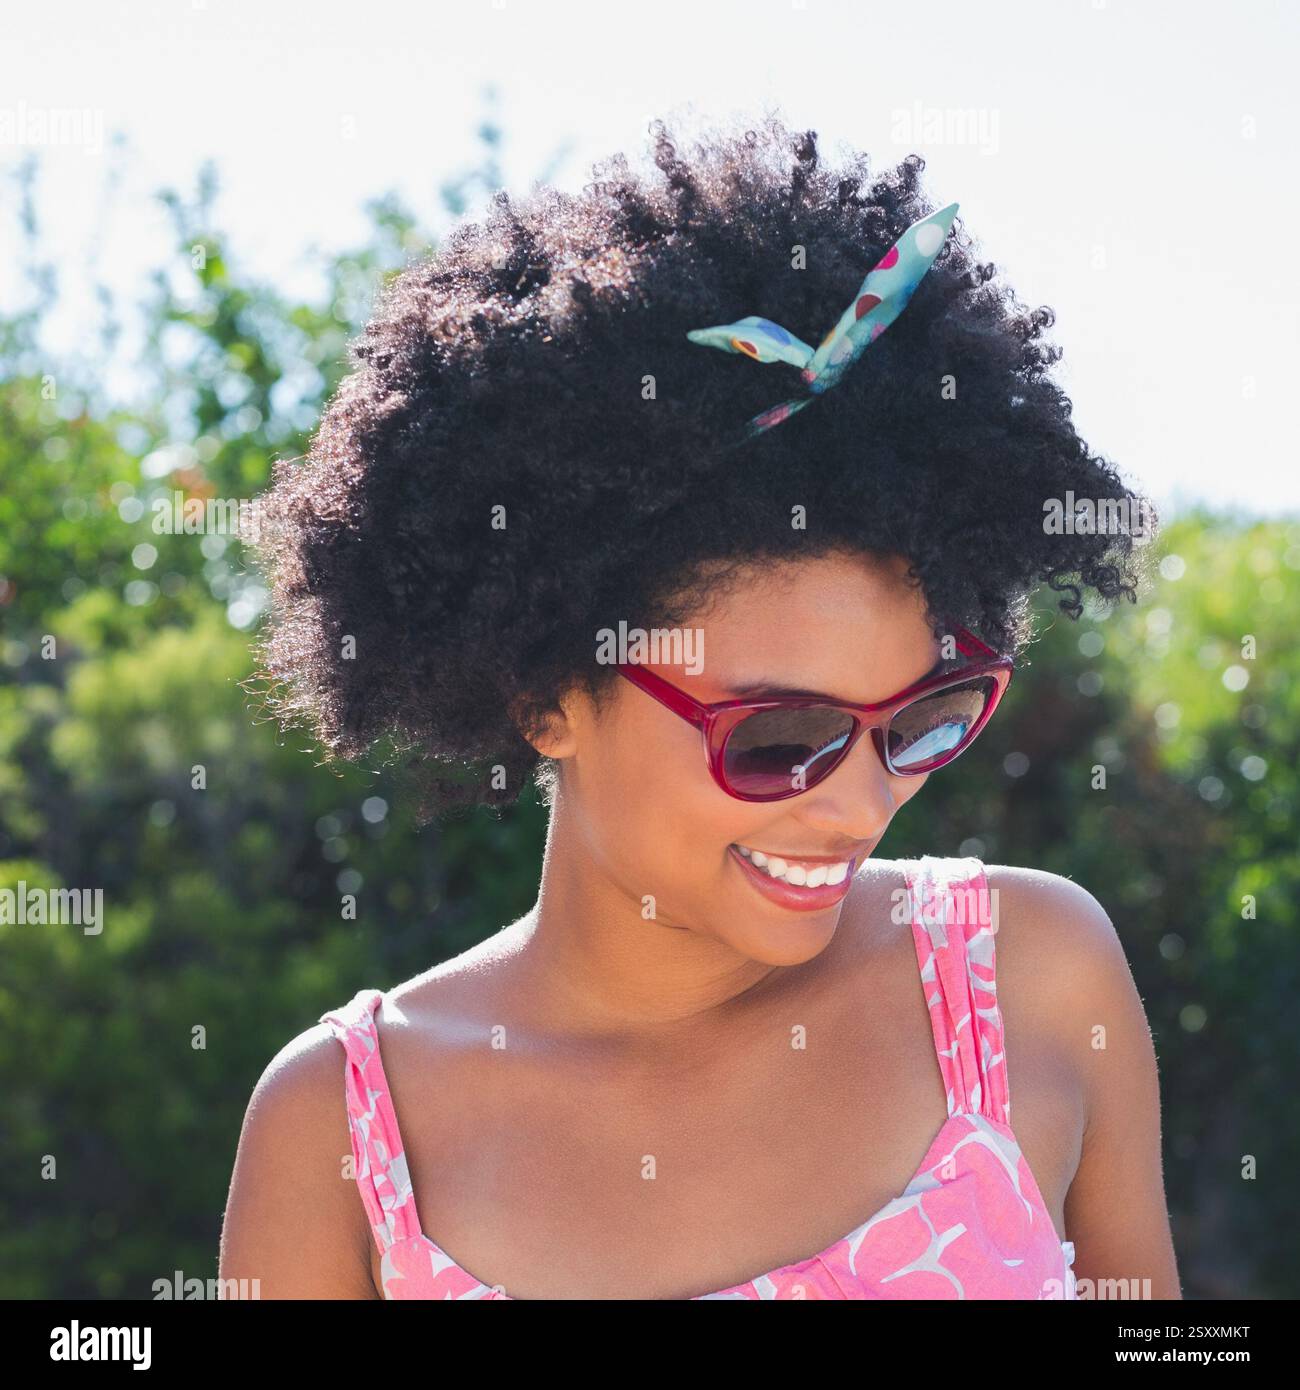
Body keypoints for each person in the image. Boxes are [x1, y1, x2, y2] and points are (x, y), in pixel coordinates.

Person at [219, 114, 1180, 1300]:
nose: (862, 801)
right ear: (543, 694)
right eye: (782, 737)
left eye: (928, 714)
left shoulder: (1027, 974)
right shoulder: (347, 1134)